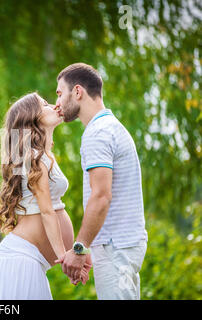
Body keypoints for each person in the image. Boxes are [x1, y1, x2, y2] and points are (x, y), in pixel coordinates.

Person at [54, 63, 148, 300]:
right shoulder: (110, 127)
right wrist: (89, 247)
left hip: (115, 249)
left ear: (77, 92)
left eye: (59, 93)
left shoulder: (97, 133)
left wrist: (80, 247)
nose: (57, 103)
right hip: (120, 246)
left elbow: (101, 196)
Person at [0, 92, 91, 300]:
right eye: (44, 104)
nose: (54, 106)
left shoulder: (41, 155)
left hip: (29, 262)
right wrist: (65, 257)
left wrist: (77, 253)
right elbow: (46, 211)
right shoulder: (34, 157)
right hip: (21, 262)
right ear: (31, 117)